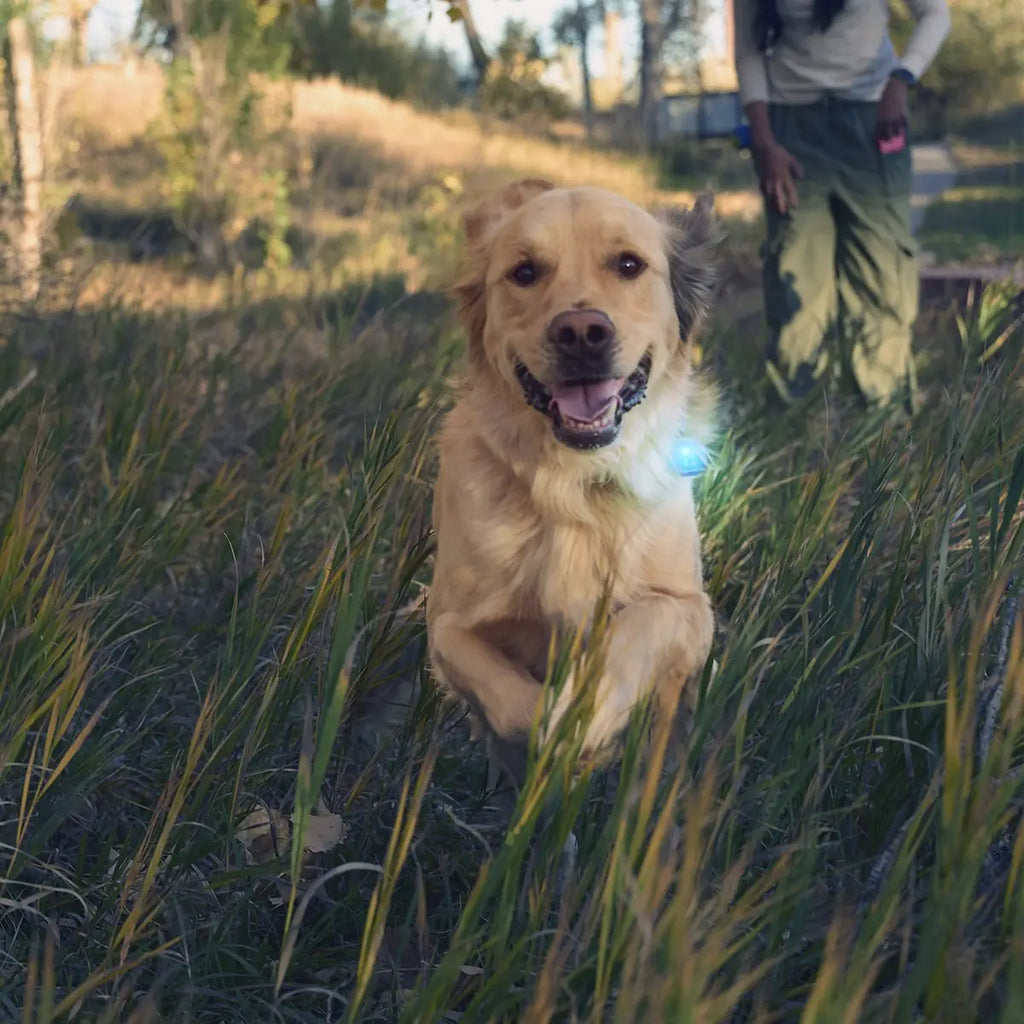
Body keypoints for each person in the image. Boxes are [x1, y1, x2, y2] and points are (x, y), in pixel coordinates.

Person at [733, 0, 951, 409]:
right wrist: (764, 144)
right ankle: (794, 421)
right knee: (794, 272)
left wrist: (900, 80)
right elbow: (747, 52)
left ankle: (883, 421)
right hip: (789, 132)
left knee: (881, 271)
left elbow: (935, 14)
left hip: (873, 119)